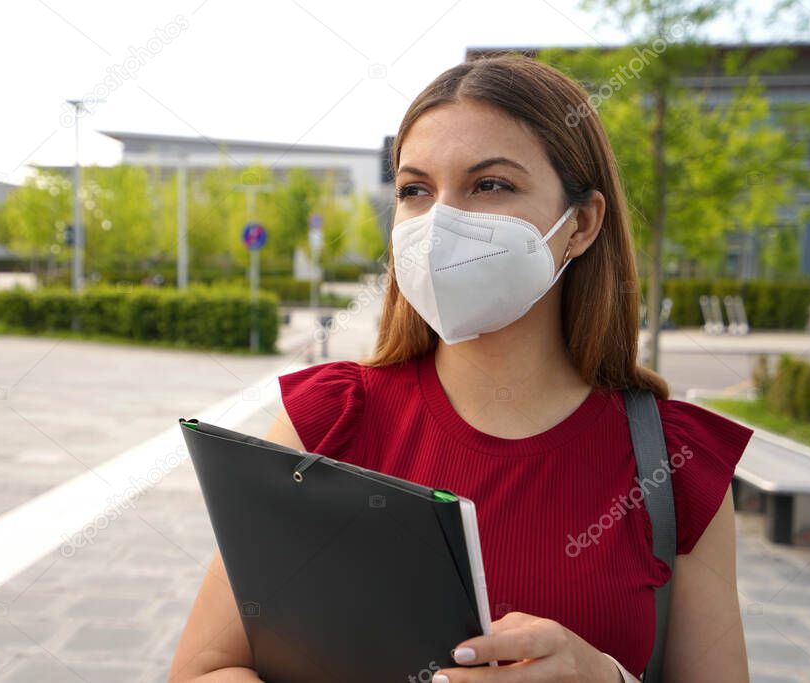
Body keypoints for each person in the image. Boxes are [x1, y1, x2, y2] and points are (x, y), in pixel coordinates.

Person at [168, 53, 754, 682]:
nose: (440, 220)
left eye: (490, 184)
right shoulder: (327, 422)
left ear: (582, 223)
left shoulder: (675, 464)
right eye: (415, 190)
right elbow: (205, 670)